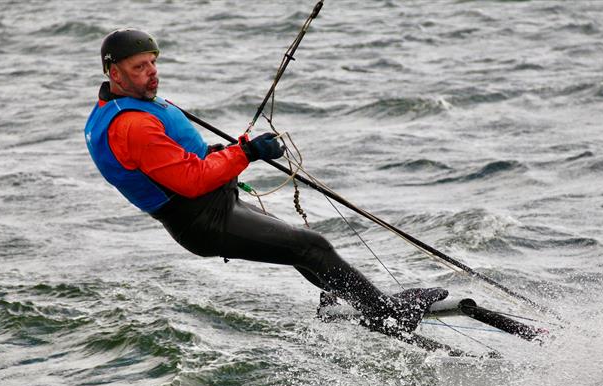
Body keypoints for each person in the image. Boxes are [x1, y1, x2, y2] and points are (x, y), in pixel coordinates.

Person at [84, 28, 441, 335]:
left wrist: (223, 151)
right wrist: (247, 154)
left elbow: (174, 158)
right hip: (204, 219)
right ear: (114, 72)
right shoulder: (132, 126)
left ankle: (351, 302)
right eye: (139, 67)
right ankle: (388, 315)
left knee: (300, 249)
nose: (152, 73)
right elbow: (191, 181)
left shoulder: (117, 107)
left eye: (153, 63)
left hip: (214, 205)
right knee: (311, 247)